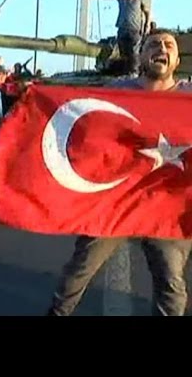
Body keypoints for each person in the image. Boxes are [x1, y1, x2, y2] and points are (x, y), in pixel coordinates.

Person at [47, 28, 192, 316]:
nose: (161, 49)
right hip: (115, 199)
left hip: (166, 204)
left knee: (170, 282)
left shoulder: (189, 97)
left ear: (176, 60)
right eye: (153, 44)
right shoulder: (116, 91)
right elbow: (77, 112)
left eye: (169, 45)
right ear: (141, 55)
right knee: (79, 270)